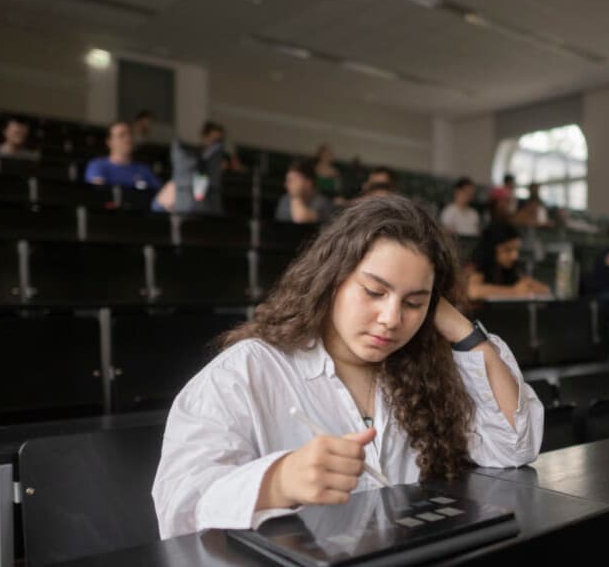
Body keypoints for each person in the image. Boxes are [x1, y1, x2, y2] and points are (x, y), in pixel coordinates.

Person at [152, 195, 543, 538]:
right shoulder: (247, 372)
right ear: (332, 278)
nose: (391, 318)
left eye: (414, 302)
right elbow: (179, 509)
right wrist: (278, 481)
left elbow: (514, 447)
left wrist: (462, 329)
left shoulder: (426, 367)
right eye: (374, 291)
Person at [154, 121, 232, 213]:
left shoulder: (220, 161)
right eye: (213, 140)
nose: (214, 146)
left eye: (219, 142)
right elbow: (157, 206)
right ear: (204, 137)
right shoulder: (187, 161)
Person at [467, 221, 551, 300]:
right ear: (492, 248)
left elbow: (545, 290)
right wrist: (514, 291)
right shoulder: (477, 265)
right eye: (508, 250)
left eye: (516, 250)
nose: (515, 256)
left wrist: (528, 285)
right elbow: (474, 291)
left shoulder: (509, 268)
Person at [84, 121, 162, 190]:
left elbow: (160, 195)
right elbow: (99, 194)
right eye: (122, 135)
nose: (128, 138)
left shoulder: (144, 169)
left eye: (130, 134)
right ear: (109, 142)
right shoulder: (97, 166)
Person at [275, 160, 335, 224]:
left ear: (308, 182)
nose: (286, 185)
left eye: (293, 180)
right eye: (288, 181)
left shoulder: (323, 203)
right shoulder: (285, 200)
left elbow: (301, 220)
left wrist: (296, 196)